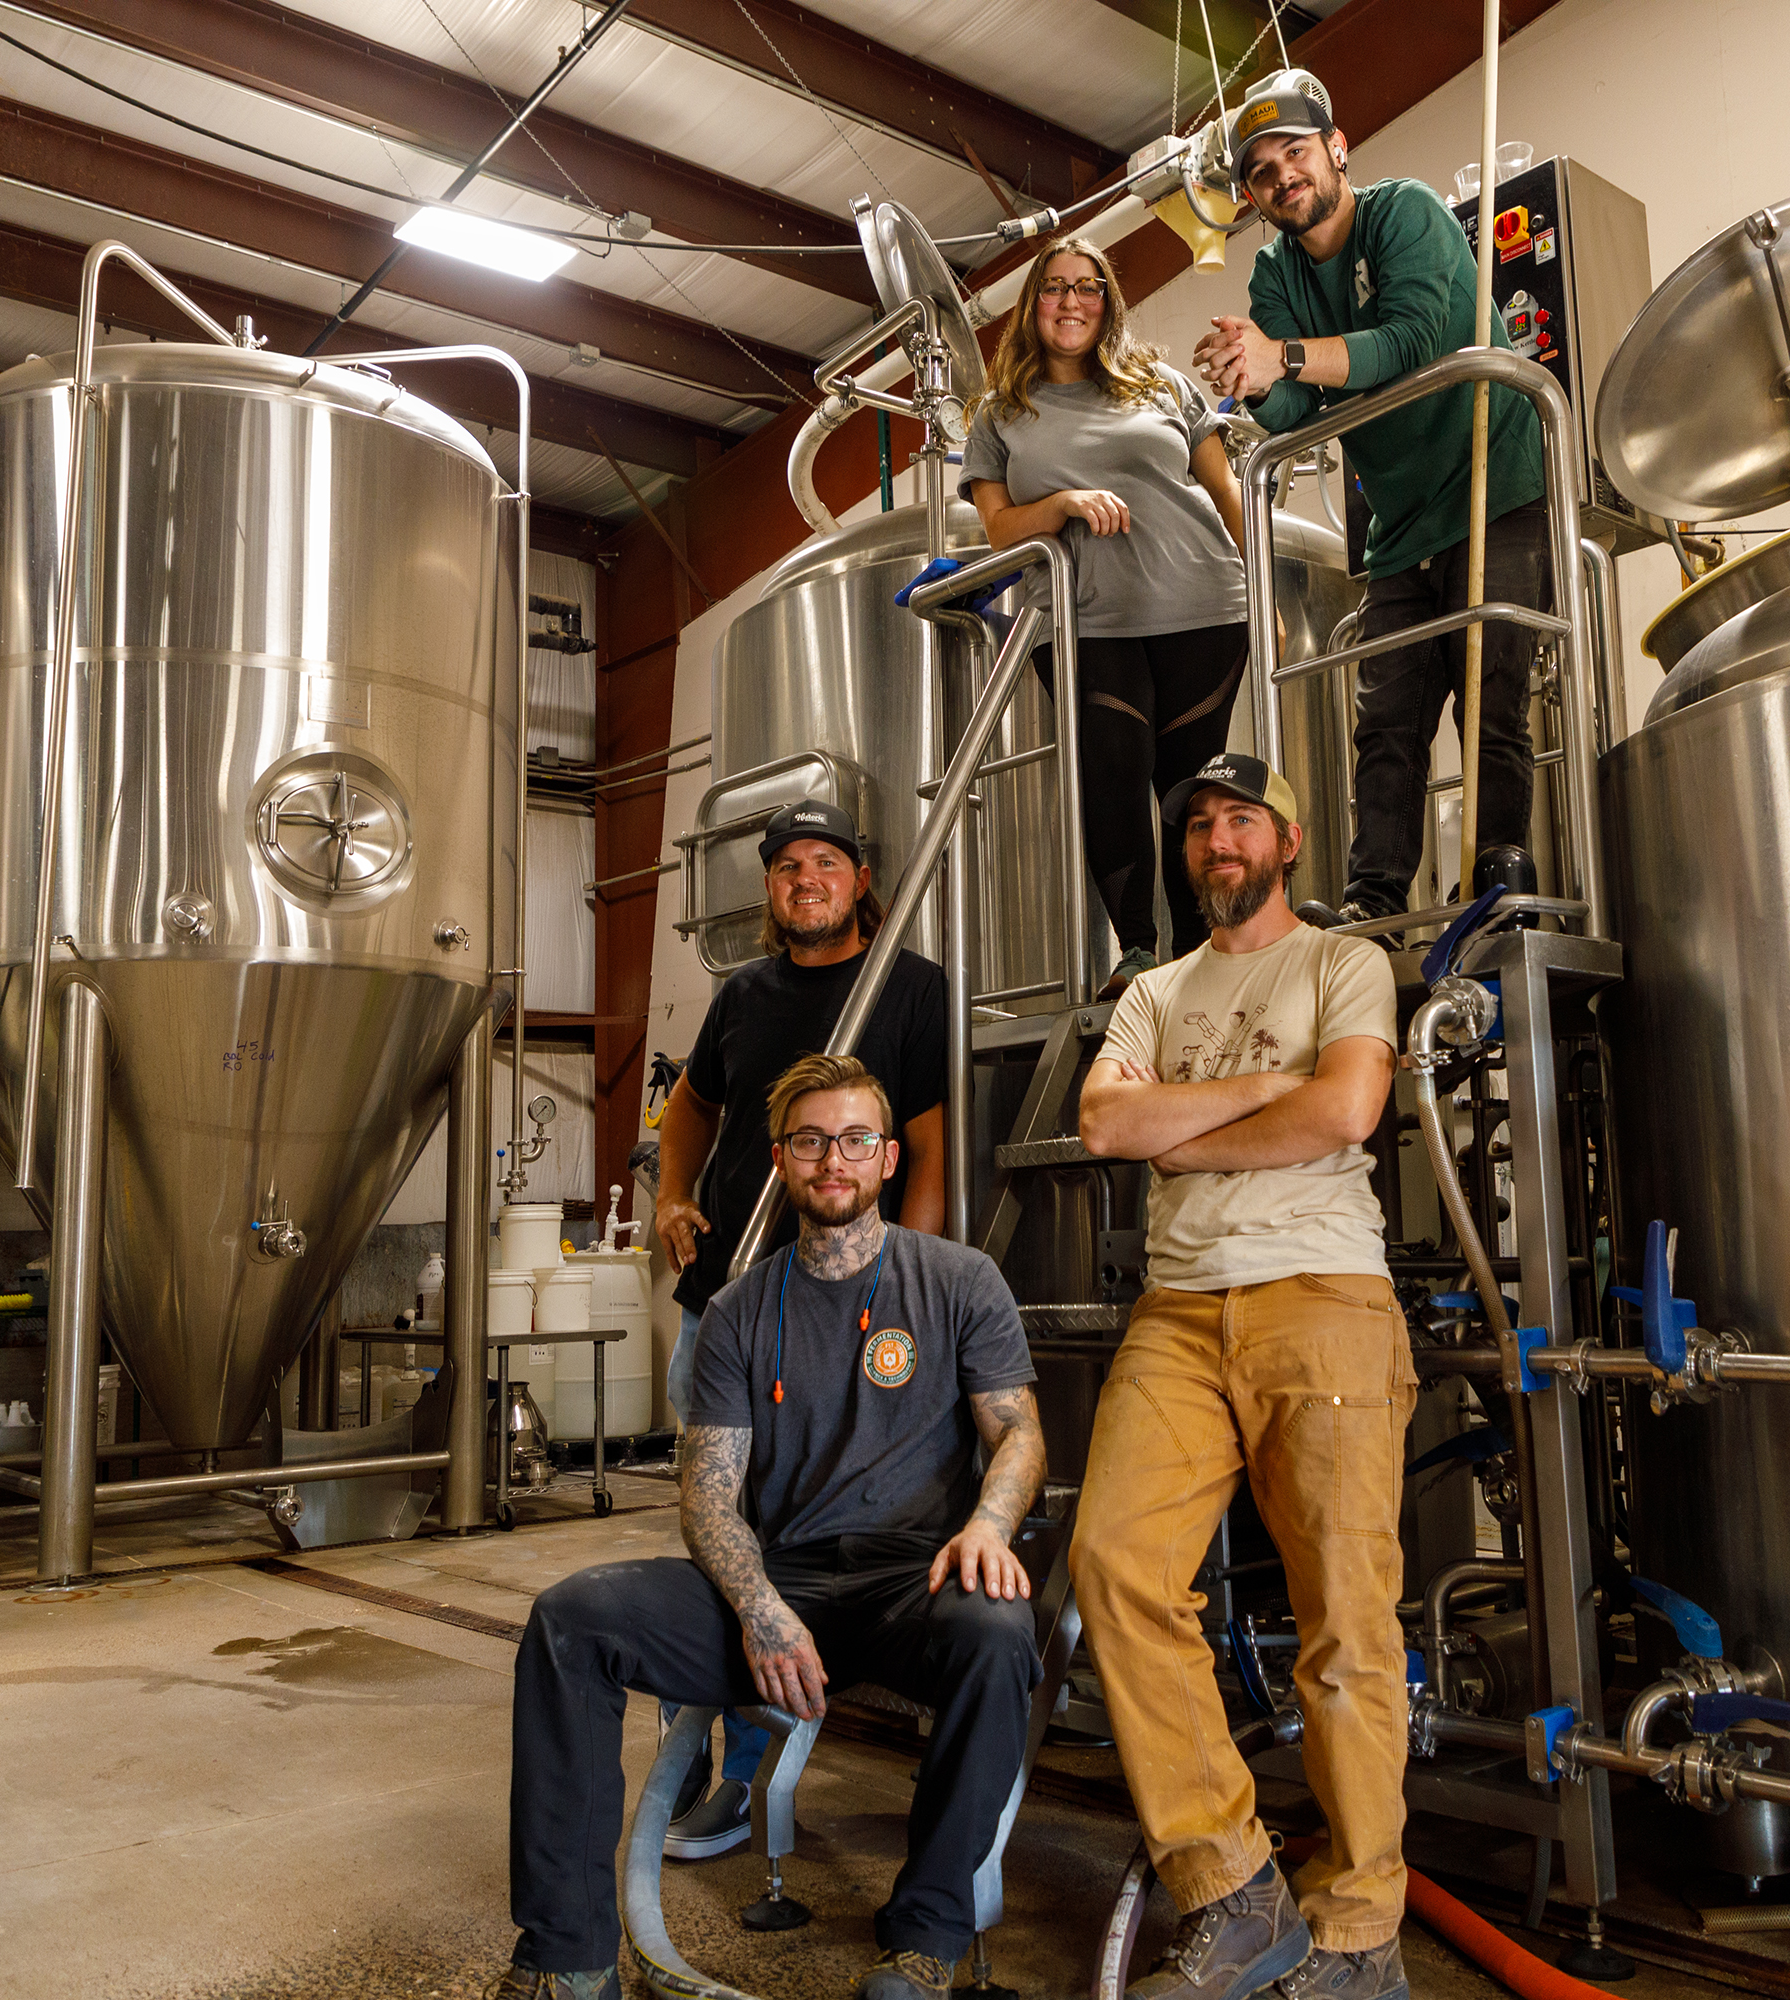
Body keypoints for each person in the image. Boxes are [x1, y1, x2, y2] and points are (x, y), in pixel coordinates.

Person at [498, 1054, 1047, 2000]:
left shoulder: (960, 1281)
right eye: (809, 1141)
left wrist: (990, 1526)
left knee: (997, 1637)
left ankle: (922, 1941)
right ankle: (568, 1960)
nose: (833, 1159)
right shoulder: (741, 1313)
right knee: (571, 1619)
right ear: (782, 1160)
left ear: (885, 1158)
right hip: (776, 1578)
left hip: (911, 1580)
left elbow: (1020, 1432)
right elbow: (709, 1494)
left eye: (854, 1140)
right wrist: (758, 1608)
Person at [1070, 752, 1413, 2000]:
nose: (1219, 840)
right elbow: (1108, 1125)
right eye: (1200, 825)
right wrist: (1275, 1083)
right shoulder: (1153, 990)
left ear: (1289, 839)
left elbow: (1347, 1112)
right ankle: (1233, 1885)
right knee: (1115, 1564)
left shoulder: (1343, 962)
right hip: (1176, 1314)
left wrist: (1197, 1120)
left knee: (1345, 1619)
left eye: (1241, 820)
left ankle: (1363, 1932)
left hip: (1321, 1296)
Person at [650, 797, 952, 1855]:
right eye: (786, 866)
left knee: (801, 1532)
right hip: (725, 1306)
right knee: (714, 1532)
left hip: (842, 1317)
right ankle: (708, 1755)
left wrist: (900, 1292)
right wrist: (671, 1193)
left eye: (826, 860)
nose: (805, 879)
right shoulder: (743, 994)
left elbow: (926, 1145)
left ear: (859, 878)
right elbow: (688, 1103)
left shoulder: (913, 988)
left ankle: (759, 1755)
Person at [1194, 69, 1550, 926]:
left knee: (1491, 690)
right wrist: (1251, 375)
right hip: (1399, 523)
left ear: (1337, 149)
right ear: (1251, 194)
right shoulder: (1275, 273)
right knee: (1386, 725)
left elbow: (1414, 340)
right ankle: (1373, 900)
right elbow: (1293, 405)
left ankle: (1498, 877)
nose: (1285, 176)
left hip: (1494, 486)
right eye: (1263, 170)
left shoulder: (1407, 212)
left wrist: (1281, 355)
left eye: (1297, 153)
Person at [964, 236, 1252, 994]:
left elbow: (1225, 492)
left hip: (1204, 603)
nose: (1071, 302)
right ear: (1032, 306)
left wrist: (1267, 589)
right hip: (1083, 619)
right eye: (1054, 288)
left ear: (1108, 302)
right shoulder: (1001, 413)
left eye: (1087, 287)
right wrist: (1059, 505)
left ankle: (1201, 955)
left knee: (1189, 788)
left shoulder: (1157, 383)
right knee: (1113, 774)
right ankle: (1139, 951)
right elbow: (997, 530)